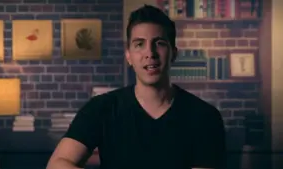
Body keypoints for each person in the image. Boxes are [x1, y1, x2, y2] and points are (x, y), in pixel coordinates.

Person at [46, 4, 226, 169]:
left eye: (159, 43)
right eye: (139, 44)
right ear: (129, 56)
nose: (150, 53)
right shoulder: (101, 108)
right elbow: (57, 163)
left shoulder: (204, 116)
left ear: (174, 54)